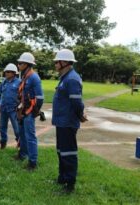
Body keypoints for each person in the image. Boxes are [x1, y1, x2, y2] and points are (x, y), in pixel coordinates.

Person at [52, 49, 87, 193]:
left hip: (67, 122)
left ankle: (70, 184)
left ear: (64, 62)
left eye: (56, 62)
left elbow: (77, 103)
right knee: (61, 151)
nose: (55, 64)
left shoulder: (71, 79)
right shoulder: (65, 77)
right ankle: (63, 177)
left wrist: (80, 115)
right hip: (61, 121)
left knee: (68, 153)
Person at [15, 52, 44, 171]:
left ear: (27, 64)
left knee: (30, 137)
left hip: (29, 112)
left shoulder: (33, 77)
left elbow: (40, 98)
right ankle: (22, 155)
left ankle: (33, 162)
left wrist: (33, 112)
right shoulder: (24, 76)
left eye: (20, 63)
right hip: (23, 110)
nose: (18, 64)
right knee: (22, 134)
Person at [0, 63, 21, 149]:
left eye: (9, 72)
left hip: (14, 109)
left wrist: (20, 106)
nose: (6, 73)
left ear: (14, 73)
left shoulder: (19, 82)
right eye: (6, 72)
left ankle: (20, 143)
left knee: (17, 129)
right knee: (2, 127)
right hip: (3, 109)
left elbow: (23, 96)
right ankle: (3, 143)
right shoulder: (4, 82)